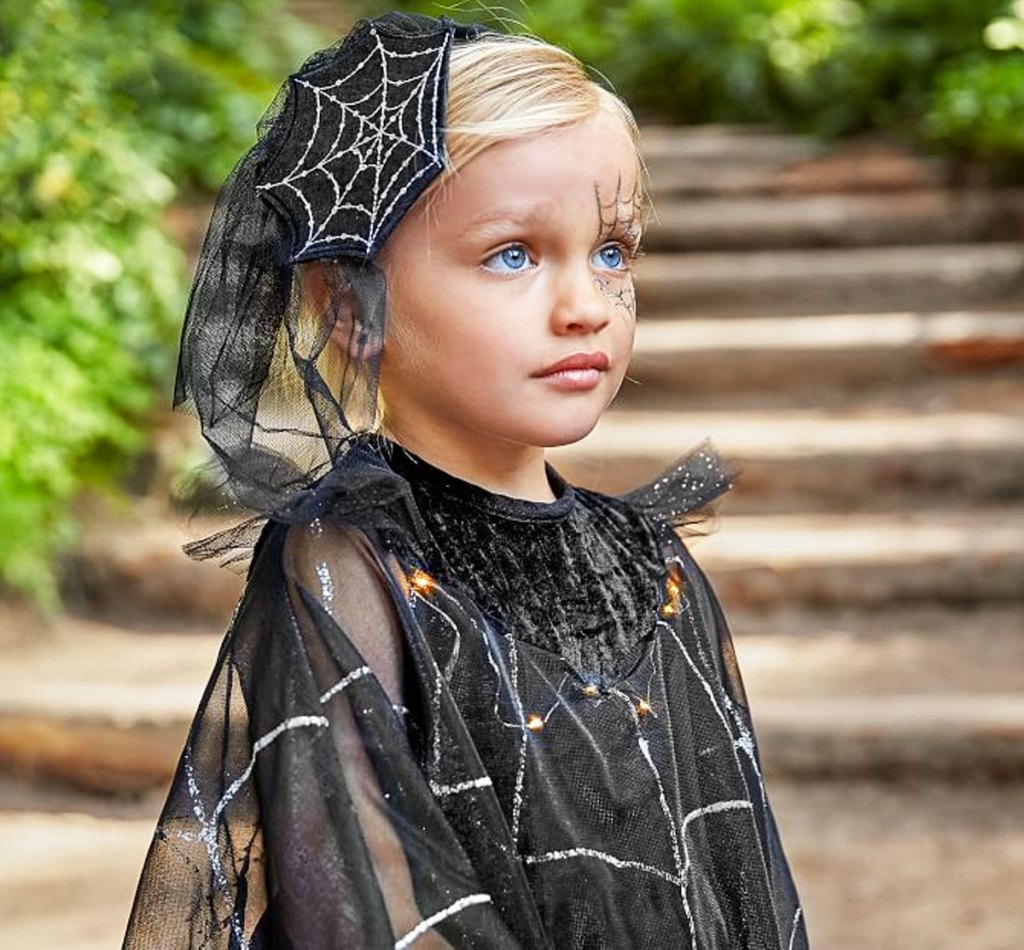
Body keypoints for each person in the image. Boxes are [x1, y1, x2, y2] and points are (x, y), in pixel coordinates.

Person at [124, 12, 808, 949]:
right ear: (349, 304)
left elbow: (743, 876)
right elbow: (366, 898)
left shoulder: (655, 570)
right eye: (513, 255)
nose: (585, 308)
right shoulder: (347, 563)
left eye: (612, 252)